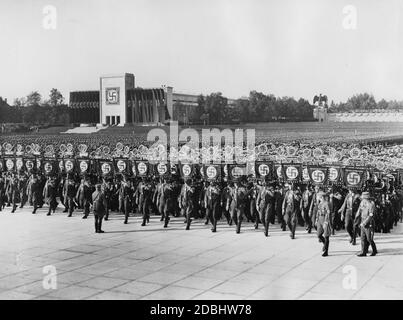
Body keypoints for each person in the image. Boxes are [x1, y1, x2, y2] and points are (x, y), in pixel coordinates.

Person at [356, 192, 378, 257]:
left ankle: (374, 251)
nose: (362, 199)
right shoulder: (362, 203)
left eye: (363, 198)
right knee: (362, 238)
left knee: (369, 239)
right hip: (362, 221)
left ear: (366, 198)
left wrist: (364, 222)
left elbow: (371, 215)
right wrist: (357, 217)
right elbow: (359, 210)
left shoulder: (371, 205)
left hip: (369, 223)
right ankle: (363, 252)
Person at [315, 192, 331, 257]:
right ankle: (325, 244)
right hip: (320, 219)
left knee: (326, 235)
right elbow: (318, 211)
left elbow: (328, 213)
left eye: (318, 196)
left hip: (325, 219)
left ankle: (326, 251)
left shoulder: (326, 203)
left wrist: (326, 222)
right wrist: (316, 219)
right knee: (319, 234)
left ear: (321, 197)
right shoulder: (320, 203)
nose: (318, 198)